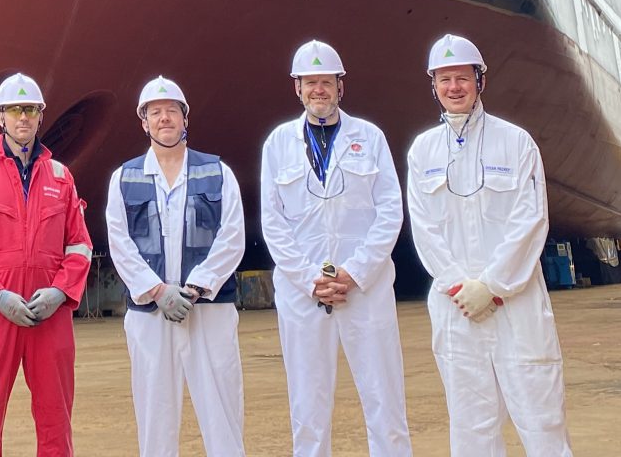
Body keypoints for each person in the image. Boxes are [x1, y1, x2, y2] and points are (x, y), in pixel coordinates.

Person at [404, 35, 573, 457]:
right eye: (445, 79)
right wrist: (460, 286)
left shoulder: (515, 142)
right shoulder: (423, 150)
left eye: (463, 77)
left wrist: (494, 286)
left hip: (515, 303)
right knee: (471, 425)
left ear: (480, 81)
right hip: (455, 306)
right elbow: (424, 227)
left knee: (541, 417)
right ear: (434, 85)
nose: (454, 87)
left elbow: (530, 219)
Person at [260, 40, 411, 457]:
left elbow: (389, 212)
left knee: (384, 397)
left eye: (326, 82)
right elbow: (273, 222)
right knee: (307, 404)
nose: (318, 91)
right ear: (297, 88)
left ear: (340, 86)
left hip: (366, 288)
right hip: (304, 292)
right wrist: (312, 279)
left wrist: (354, 272)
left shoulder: (371, 137)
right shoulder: (278, 143)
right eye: (310, 83)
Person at [0, 72, 95, 456]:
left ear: (41, 115)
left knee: (55, 420)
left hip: (50, 315)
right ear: (0, 117)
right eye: (15, 110)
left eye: (30, 110)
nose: (23, 118)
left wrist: (60, 292)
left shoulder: (61, 178)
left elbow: (79, 245)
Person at [104, 75, 247, 457]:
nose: (164, 118)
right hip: (151, 313)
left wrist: (196, 287)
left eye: (171, 111)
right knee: (155, 414)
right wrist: (157, 291)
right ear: (143, 122)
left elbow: (232, 235)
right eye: (155, 112)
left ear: (185, 118)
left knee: (222, 411)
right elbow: (119, 242)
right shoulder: (124, 178)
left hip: (208, 308)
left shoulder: (218, 172)